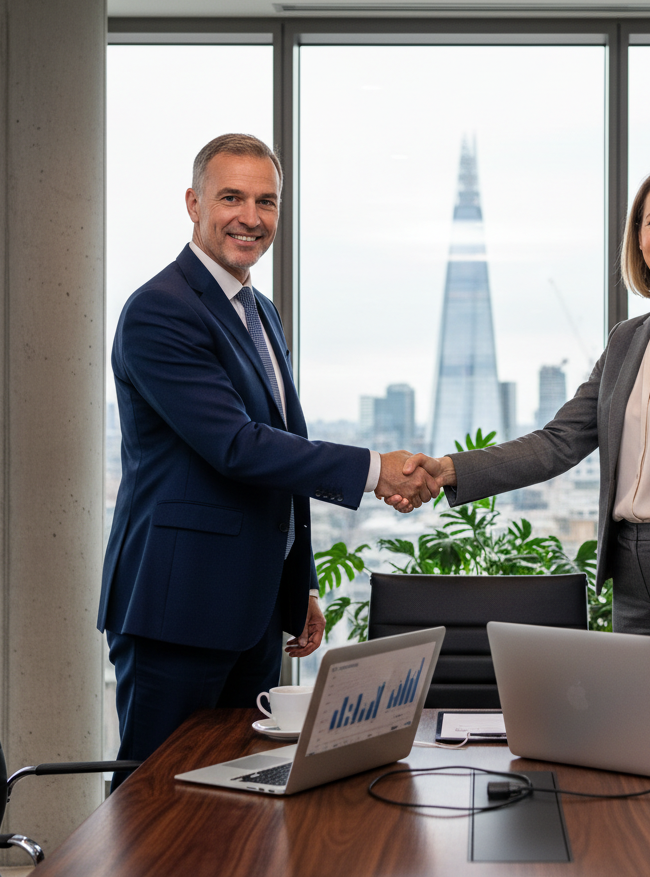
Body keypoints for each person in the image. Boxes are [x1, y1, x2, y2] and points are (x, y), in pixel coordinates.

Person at [398, 163, 650, 709]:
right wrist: (446, 470)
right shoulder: (628, 338)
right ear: (638, 237)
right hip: (631, 577)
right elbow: (558, 441)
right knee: (637, 747)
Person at [98, 134, 432, 779]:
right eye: (231, 197)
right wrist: (374, 468)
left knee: (237, 791)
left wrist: (297, 579)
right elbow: (237, 447)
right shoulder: (160, 311)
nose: (251, 217)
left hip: (250, 611)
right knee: (154, 801)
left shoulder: (260, 312)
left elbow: (281, 452)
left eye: (267, 201)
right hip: (179, 607)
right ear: (194, 203)